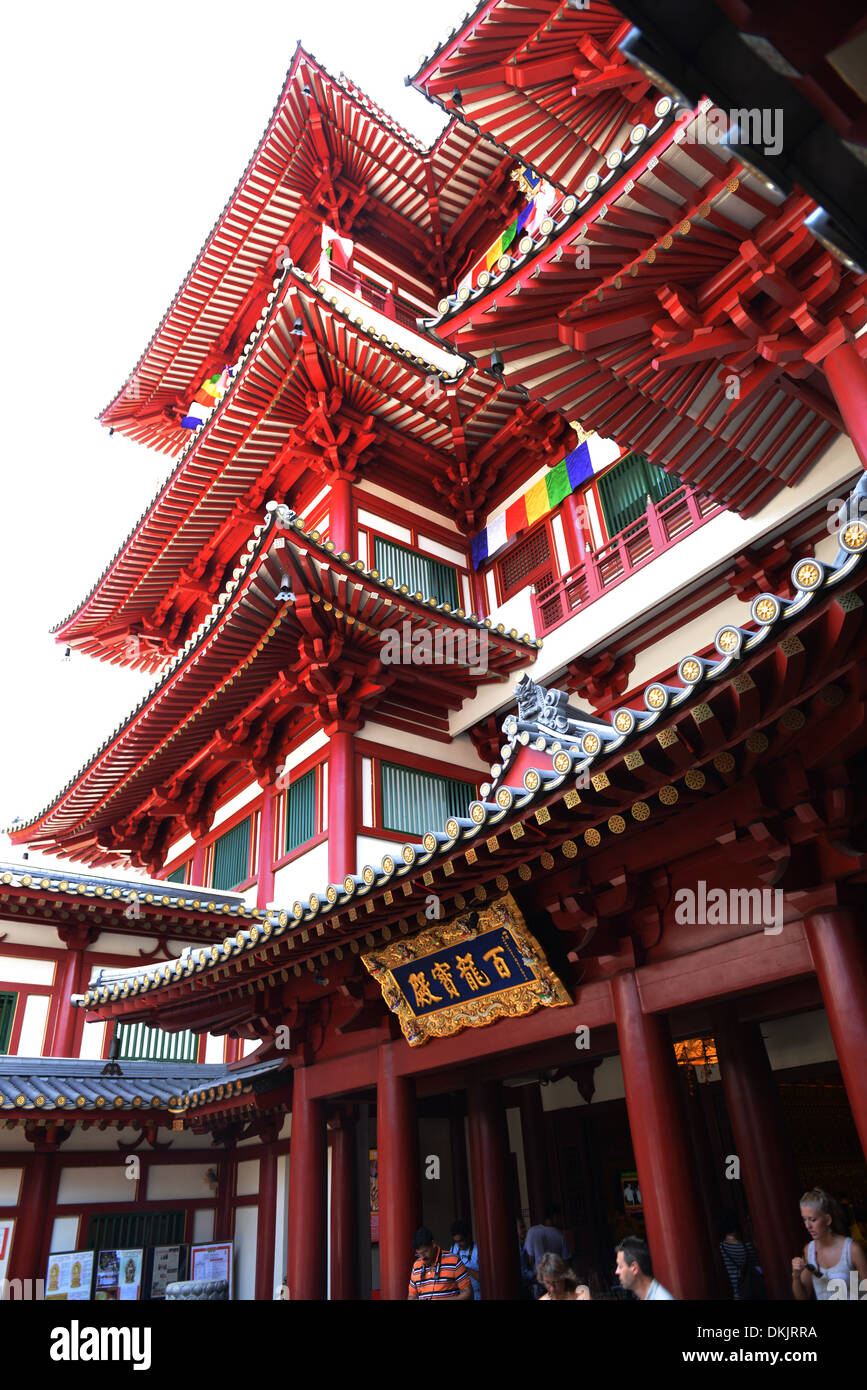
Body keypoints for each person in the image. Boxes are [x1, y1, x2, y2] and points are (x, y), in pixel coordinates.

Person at [792, 1187, 867, 1301]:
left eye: (812, 1220)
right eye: (804, 1219)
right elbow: (802, 1296)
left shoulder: (851, 1250)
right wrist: (796, 1276)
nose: (807, 1226)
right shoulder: (810, 1251)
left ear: (827, 1219)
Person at [408, 1227, 473, 1300]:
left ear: (433, 1244)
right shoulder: (416, 1265)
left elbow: (468, 1293)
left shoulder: (454, 1261)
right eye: (418, 1254)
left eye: (425, 1252)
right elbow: (411, 1297)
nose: (422, 1257)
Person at [718, 1209, 765, 1300]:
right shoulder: (747, 1246)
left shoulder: (722, 1247)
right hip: (753, 1289)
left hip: (738, 1291)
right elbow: (758, 1262)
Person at [450, 1220, 481, 1300]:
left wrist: (463, 1268)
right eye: (456, 1241)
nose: (458, 1244)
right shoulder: (454, 1248)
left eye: (461, 1240)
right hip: (460, 1294)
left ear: (468, 1236)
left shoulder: (477, 1250)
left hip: (476, 1293)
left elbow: (483, 1278)